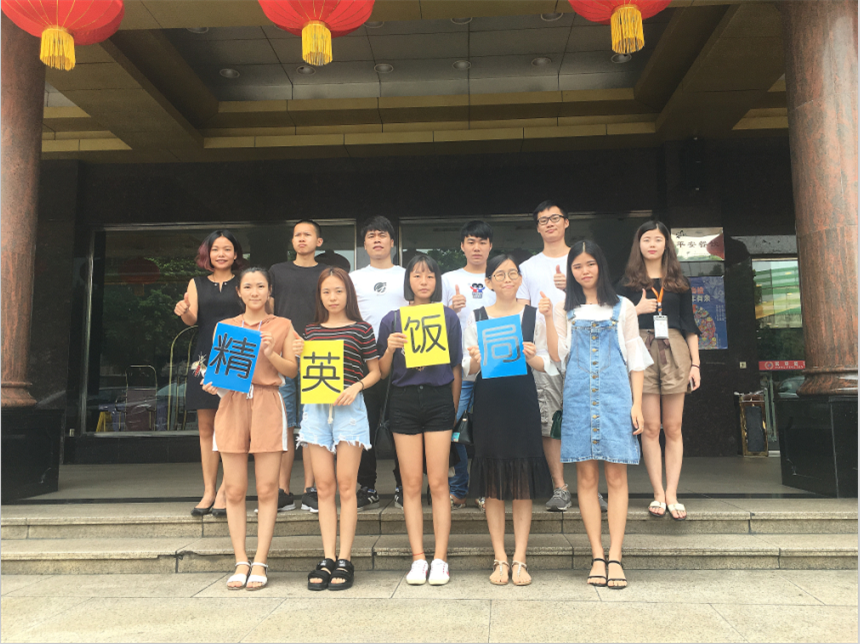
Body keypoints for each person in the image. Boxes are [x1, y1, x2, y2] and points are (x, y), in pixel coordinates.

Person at [547, 241, 651, 590]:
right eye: (577, 266)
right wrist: (546, 318)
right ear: (571, 272)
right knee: (587, 481)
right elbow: (558, 355)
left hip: (616, 399)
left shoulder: (623, 307)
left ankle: (616, 556)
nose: (584, 271)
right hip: (578, 400)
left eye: (589, 264)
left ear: (600, 266)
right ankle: (596, 555)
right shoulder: (565, 309)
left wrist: (636, 405)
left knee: (617, 479)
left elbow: (636, 361)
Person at [201, 267, 297, 590]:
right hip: (232, 405)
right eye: (248, 286)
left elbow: (292, 370)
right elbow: (219, 373)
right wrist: (213, 384)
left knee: (268, 488)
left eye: (260, 286)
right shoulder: (225, 327)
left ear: (269, 291)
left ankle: (260, 560)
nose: (255, 292)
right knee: (235, 489)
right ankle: (240, 559)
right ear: (239, 292)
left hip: (268, 402)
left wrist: (270, 353)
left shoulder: (283, 325)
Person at [463, 254, 554, 586]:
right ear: (488, 282)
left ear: (520, 279)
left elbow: (548, 363)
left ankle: (520, 559)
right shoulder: (477, 317)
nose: (506, 279)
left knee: (522, 481)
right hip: (490, 404)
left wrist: (533, 357)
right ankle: (500, 557)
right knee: (493, 482)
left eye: (512, 273)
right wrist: (475, 359)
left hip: (522, 402)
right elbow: (469, 371)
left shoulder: (532, 315)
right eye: (499, 275)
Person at [517, 201, 608, 513]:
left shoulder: (583, 259)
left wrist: (571, 287)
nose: (549, 223)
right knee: (550, 420)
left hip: (586, 350)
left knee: (586, 419)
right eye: (543, 220)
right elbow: (523, 311)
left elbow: (604, 299)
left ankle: (590, 487)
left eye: (555, 218)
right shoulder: (528, 267)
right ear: (537, 227)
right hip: (545, 353)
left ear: (567, 222)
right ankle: (560, 487)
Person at [378, 254, 462, 586]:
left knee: (439, 482)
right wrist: (389, 348)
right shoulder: (392, 319)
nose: (423, 281)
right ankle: (418, 558)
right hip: (404, 401)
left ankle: (440, 558)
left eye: (429, 276)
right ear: (408, 281)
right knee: (411, 484)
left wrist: (453, 408)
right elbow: (382, 372)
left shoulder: (448, 317)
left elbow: (455, 366)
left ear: (437, 281)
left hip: (439, 399)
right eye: (417, 275)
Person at [296, 267, 381, 591]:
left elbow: (375, 372)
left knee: (347, 486)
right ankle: (327, 557)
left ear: (349, 293)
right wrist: (298, 355)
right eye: (326, 292)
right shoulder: (311, 331)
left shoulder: (362, 329)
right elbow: (306, 372)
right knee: (324, 487)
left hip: (350, 410)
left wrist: (357, 386)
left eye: (338, 291)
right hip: (316, 410)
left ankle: (345, 558)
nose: (333, 297)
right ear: (319, 296)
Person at [616, 221, 701, 521]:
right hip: (641, 351)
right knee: (650, 428)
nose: (652, 245)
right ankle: (658, 493)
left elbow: (690, 325)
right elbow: (614, 322)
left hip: (675, 349)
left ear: (667, 244)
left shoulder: (679, 282)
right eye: (646, 240)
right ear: (638, 245)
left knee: (673, 427)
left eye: (657, 239)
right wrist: (635, 309)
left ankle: (673, 493)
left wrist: (696, 364)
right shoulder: (627, 284)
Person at [174, 230, 245, 517]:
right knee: (206, 427)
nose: (221, 254)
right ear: (208, 254)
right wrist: (183, 310)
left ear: (236, 254)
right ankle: (208, 490)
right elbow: (192, 319)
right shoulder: (197, 282)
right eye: (216, 249)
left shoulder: (244, 281)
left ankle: (226, 490)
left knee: (235, 426)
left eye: (227, 249)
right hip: (205, 353)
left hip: (236, 351)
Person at [349, 216, 408, 510]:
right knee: (365, 423)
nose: (377, 240)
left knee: (401, 423)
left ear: (392, 242)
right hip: (364, 357)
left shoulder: (407, 275)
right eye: (371, 236)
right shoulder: (353, 278)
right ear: (364, 244)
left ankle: (403, 485)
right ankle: (367, 486)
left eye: (382, 235)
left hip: (403, 357)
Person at [269, 220, 327, 514]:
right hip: (283, 354)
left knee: (314, 423)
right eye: (297, 235)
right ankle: (282, 490)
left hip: (318, 353)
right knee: (284, 424)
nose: (301, 239)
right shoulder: (277, 271)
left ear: (319, 241)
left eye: (307, 234)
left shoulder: (327, 273)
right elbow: (269, 311)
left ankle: (311, 490)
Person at [440, 220, 495, 510]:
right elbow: (432, 321)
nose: (476, 247)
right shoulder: (448, 279)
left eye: (482, 242)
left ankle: (486, 490)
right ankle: (459, 488)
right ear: (462, 246)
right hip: (457, 368)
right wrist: (450, 310)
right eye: (471, 242)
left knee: (489, 430)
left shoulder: (499, 277)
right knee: (453, 427)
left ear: (490, 246)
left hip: (493, 366)